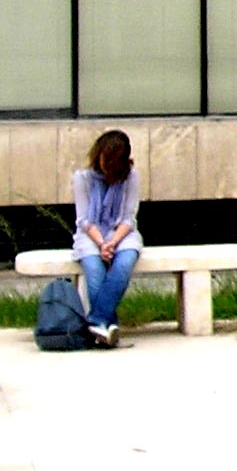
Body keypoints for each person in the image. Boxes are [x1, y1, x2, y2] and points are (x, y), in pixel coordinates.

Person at [73, 128, 142, 348]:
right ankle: (108, 326)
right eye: (106, 160)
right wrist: (102, 243)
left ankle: (96, 321)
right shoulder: (82, 178)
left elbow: (129, 218)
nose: (109, 167)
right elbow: (83, 220)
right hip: (91, 235)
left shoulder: (131, 177)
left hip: (122, 233)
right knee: (94, 270)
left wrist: (112, 242)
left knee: (124, 263)